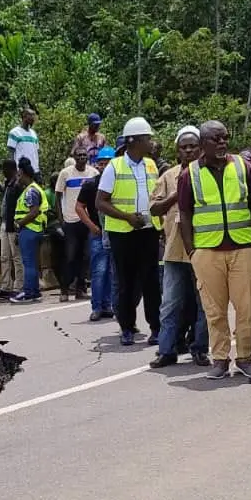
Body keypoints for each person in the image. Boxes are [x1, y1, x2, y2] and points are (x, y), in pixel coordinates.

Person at [179, 120, 251, 379]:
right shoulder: (189, 174)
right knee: (214, 310)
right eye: (216, 139)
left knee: (247, 306)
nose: (223, 143)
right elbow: (184, 214)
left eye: (225, 138)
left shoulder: (242, 167)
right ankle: (221, 359)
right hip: (207, 251)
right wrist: (192, 252)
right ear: (203, 143)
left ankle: (246, 357)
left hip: (243, 246)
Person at [97, 117, 163, 346]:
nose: (151, 142)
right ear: (134, 141)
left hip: (148, 230)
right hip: (122, 234)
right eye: (147, 138)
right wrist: (127, 217)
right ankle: (127, 327)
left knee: (151, 282)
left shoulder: (151, 165)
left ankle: (156, 328)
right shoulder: (114, 167)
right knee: (125, 282)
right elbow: (100, 202)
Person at [150, 127, 210, 369]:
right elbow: (154, 209)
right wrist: (178, 193)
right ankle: (166, 350)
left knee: (205, 304)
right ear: (178, 151)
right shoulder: (168, 177)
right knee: (171, 303)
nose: (189, 150)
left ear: (201, 148)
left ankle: (200, 349)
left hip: (204, 247)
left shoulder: (209, 173)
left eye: (193, 146)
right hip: (175, 251)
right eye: (184, 147)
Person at [77, 147, 116, 321]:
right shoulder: (91, 184)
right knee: (99, 271)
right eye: (101, 163)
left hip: (116, 232)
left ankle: (109, 305)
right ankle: (97, 306)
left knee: (113, 272)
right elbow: (79, 207)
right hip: (99, 233)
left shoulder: (119, 183)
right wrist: (92, 226)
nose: (104, 166)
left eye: (107, 163)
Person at [55, 148, 99, 302]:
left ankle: (80, 288)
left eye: (84, 155)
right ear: (74, 157)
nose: (81, 157)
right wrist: (61, 219)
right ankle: (64, 289)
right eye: (78, 155)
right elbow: (58, 197)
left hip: (88, 220)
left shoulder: (93, 173)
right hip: (71, 220)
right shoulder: (65, 173)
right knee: (70, 256)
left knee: (86, 256)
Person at [11, 157, 49, 304]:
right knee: (31, 262)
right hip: (34, 230)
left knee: (29, 263)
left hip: (30, 229)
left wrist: (20, 224)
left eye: (18, 175)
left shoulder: (30, 191)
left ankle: (29, 292)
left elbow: (33, 212)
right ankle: (34, 291)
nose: (17, 178)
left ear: (21, 172)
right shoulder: (34, 189)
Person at [0, 159, 24, 300]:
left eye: (4, 169)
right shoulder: (8, 184)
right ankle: (5, 285)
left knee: (16, 257)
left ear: (10, 169)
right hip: (4, 222)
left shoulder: (18, 186)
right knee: (4, 256)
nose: (3, 172)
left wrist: (19, 226)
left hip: (13, 224)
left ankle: (18, 286)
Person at [8, 107, 40, 178]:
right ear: (24, 117)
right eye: (30, 115)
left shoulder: (34, 133)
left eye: (33, 116)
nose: (33, 118)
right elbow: (11, 153)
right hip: (22, 171)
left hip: (35, 171)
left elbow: (36, 152)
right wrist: (13, 171)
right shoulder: (15, 132)